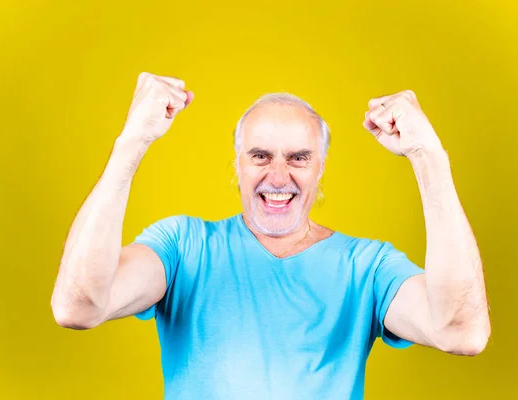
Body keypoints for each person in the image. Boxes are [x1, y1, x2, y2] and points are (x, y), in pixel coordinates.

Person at [51, 72, 491, 399]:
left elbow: (463, 333)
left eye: (299, 158)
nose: (278, 176)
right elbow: (78, 305)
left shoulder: (368, 268)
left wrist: (428, 157)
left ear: (320, 169)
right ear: (237, 165)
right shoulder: (183, 247)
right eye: (260, 155)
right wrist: (132, 143)